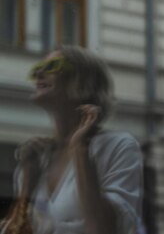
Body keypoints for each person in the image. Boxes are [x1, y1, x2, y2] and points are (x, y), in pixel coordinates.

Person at [0, 46, 143, 234]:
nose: (39, 73)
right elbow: (15, 230)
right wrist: (27, 181)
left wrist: (80, 149)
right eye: (37, 69)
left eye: (52, 65)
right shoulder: (37, 160)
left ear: (83, 80)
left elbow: (104, 230)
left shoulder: (118, 146)